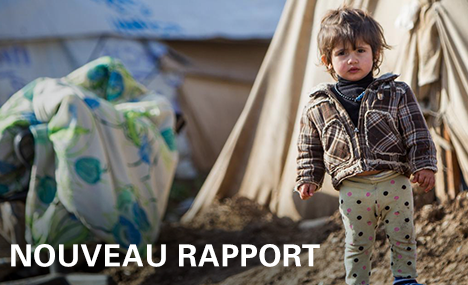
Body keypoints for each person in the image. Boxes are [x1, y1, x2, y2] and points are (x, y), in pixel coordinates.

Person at [295, 7, 437, 285]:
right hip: (353, 187)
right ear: (327, 61)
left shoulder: (396, 92)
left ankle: (405, 280)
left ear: (375, 54)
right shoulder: (319, 105)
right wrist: (308, 178)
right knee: (357, 243)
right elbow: (308, 147)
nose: (353, 59)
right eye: (342, 53)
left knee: (403, 235)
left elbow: (417, 132)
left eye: (360, 50)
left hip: (393, 182)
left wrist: (424, 165)